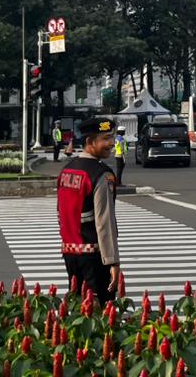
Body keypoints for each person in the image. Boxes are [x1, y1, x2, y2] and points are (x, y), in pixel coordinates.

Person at [56, 117, 121, 303]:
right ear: (90, 142)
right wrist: (112, 261)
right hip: (94, 258)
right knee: (99, 313)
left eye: (112, 138)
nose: (111, 143)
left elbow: (61, 214)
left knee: (77, 307)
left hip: (70, 254)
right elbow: (104, 221)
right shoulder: (101, 174)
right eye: (106, 139)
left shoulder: (67, 170)